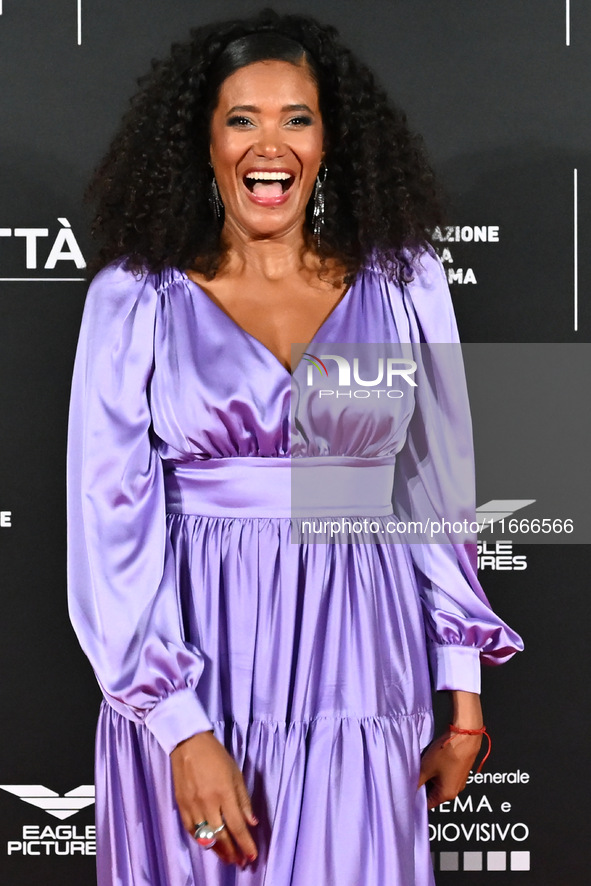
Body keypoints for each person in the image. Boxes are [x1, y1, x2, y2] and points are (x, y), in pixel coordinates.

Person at [66, 9, 523, 885]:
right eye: (241, 119)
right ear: (203, 143)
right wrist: (179, 727)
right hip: (200, 657)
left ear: (328, 142)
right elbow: (108, 520)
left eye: (295, 118)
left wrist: (461, 693)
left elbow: (434, 493)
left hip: (360, 654)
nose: (267, 145)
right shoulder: (137, 297)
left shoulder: (402, 280)